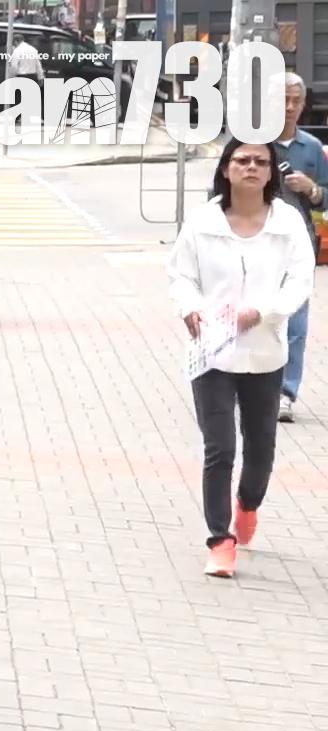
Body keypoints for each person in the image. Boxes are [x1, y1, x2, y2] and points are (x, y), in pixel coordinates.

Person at [167, 137, 315, 578]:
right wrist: (189, 307)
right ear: (226, 169)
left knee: (260, 449)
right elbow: (180, 275)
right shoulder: (203, 222)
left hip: (264, 353)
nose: (251, 167)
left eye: (260, 161)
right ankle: (220, 540)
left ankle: (248, 504)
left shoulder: (287, 223)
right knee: (220, 448)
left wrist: (263, 312)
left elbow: (300, 281)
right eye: (242, 160)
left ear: (270, 172)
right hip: (211, 353)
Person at [274, 71, 327, 421]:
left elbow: (325, 198)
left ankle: (285, 392)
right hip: (258, 244)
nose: (290, 107)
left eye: (296, 101)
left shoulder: (311, 148)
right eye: (284, 100)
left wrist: (312, 189)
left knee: (295, 322)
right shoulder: (253, 145)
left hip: (299, 246)